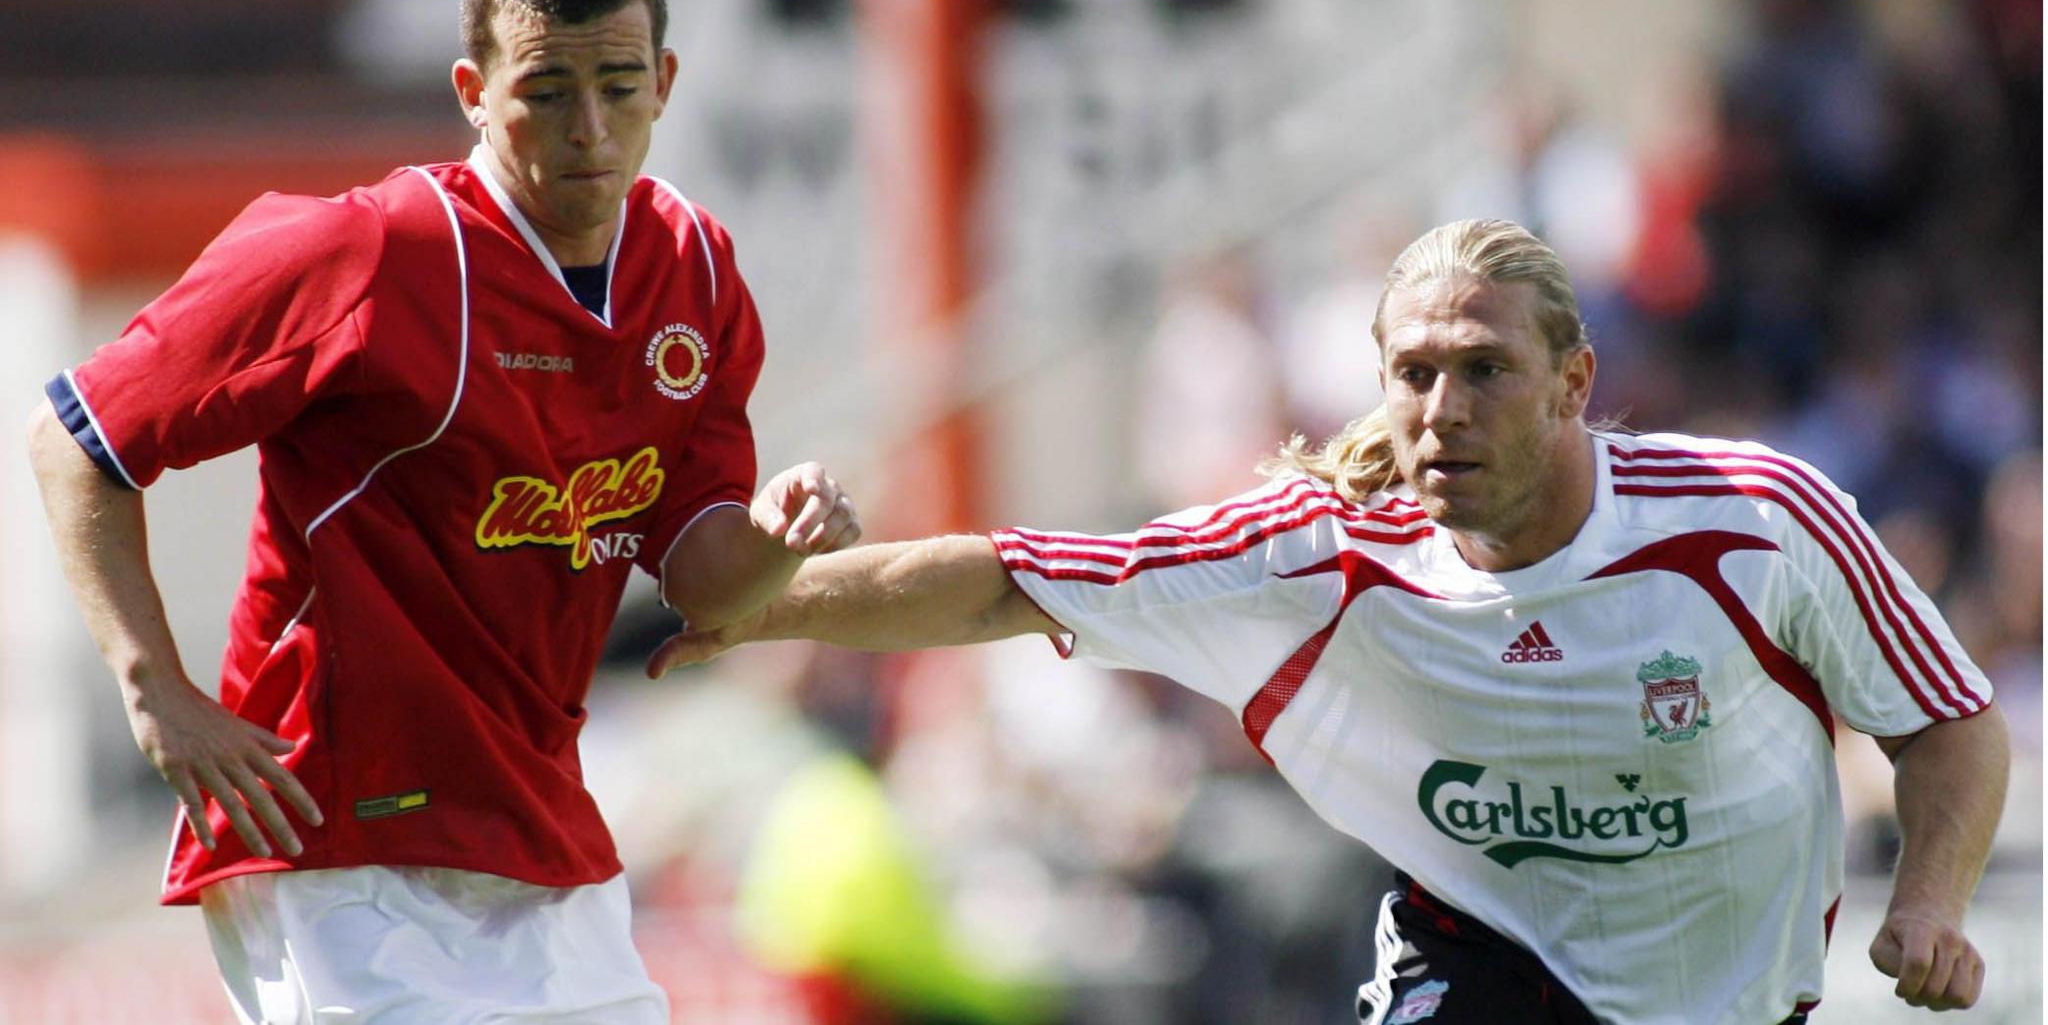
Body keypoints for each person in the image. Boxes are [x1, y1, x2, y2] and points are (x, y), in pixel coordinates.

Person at [648, 219, 2009, 1025]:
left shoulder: (1752, 521)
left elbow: (1948, 719)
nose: (1444, 408)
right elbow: (1011, 576)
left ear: (1575, 381)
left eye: (1487, 369)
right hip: (1483, 959)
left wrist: (1935, 902)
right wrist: (759, 602)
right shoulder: (1317, 547)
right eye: (1414, 371)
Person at [25, 0, 860, 1024]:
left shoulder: (696, 273)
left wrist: (774, 540)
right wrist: (155, 688)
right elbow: (78, 435)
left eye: (617, 88)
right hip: (333, 837)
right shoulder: (367, 250)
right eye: (546, 93)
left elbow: (703, 579)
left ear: (663, 78)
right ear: (473, 93)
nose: (589, 133)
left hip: (542, 832)